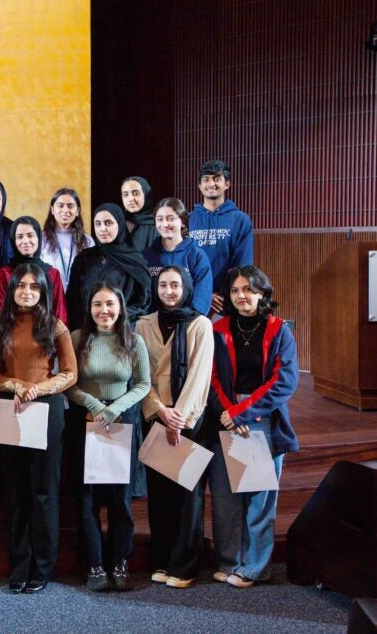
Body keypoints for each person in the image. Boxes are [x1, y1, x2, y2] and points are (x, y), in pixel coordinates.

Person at [207, 266, 298, 588]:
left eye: (248, 289)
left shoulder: (279, 330)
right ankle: (230, 561)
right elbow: (212, 376)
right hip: (226, 415)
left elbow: (284, 381)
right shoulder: (218, 329)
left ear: (262, 293)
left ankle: (255, 567)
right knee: (225, 497)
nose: (241, 296)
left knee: (259, 498)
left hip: (263, 418)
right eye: (234, 291)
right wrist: (230, 413)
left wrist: (244, 414)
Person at [0, 263, 78, 594]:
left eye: (34, 287)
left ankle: (43, 567)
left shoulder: (55, 326)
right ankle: (20, 566)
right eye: (20, 286)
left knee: (44, 492)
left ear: (44, 291)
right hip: (10, 409)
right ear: (11, 290)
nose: (26, 291)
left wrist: (36, 389)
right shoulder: (0, 327)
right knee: (15, 493)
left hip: (46, 409)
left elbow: (70, 373)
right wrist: (16, 385)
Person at [67, 284, 151, 592]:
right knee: (87, 498)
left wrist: (114, 409)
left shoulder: (134, 340)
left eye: (110, 304)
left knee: (120, 499)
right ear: (89, 308)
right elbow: (69, 382)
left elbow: (142, 384)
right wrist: (93, 405)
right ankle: (94, 564)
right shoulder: (77, 338)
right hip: (85, 421)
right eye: (98, 304)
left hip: (121, 421)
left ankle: (119, 562)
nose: (104, 310)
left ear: (121, 307)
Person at [135, 266, 213, 588]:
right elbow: (139, 374)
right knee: (160, 495)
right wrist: (159, 411)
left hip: (190, 420)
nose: (169, 290)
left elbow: (200, 375)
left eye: (175, 285)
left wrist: (180, 416)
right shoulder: (143, 324)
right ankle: (163, 560)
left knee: (188, 495)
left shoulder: (200, 324)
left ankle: (185, 565)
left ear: (187, 287)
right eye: (163, 285)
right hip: (155, 417)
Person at [66, 204, 151, 328]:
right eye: (98, 224)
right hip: (87, 332)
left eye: (108, 223)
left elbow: (143, 303)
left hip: (124, 331)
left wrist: (116, 317)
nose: (102, 229)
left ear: (120, 224)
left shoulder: (134, 260)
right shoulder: (84, 259)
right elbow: (72, 301)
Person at [188, 160, 255, 314]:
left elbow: (242, 265)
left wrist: (224, 294)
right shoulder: (188, 219)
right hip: (193, 301)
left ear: (227, 184)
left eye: (216, 179)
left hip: (226, 302)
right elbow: (183, 262)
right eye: (206, 179)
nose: (211, 183)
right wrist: (203, 294)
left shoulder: (240, 220)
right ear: (199, 186)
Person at [143, 198, 213, 316]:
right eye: (160, 219)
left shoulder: (196, 255)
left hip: (187, 323)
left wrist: (186, 321)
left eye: (171, 219)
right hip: (152, 324)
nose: (165, 224)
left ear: (183, 221)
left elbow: (202, 298)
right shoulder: (146, 256)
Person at [0, 216, 68, 323]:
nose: (25, 241)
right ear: (13, 240)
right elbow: (1, 313)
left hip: (47, 335)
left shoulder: (52, 274)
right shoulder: (2, 274)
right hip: (12, 335)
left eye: (30, 235)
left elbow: (60, 314)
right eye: (19, 237)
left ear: (38, 237)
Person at [40, 187, 94, 292]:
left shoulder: (87, 241)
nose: (65, 210)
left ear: (77, 211)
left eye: (70, 206)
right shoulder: (41, 238)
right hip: (50, 295)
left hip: (78, 296)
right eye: (60, 206)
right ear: (52, 210)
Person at [121, 176, 158, 251]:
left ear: (146, 195)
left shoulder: (159, 224)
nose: (131, 199)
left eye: (136, 193)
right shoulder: (118, 223)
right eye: (125, 194)